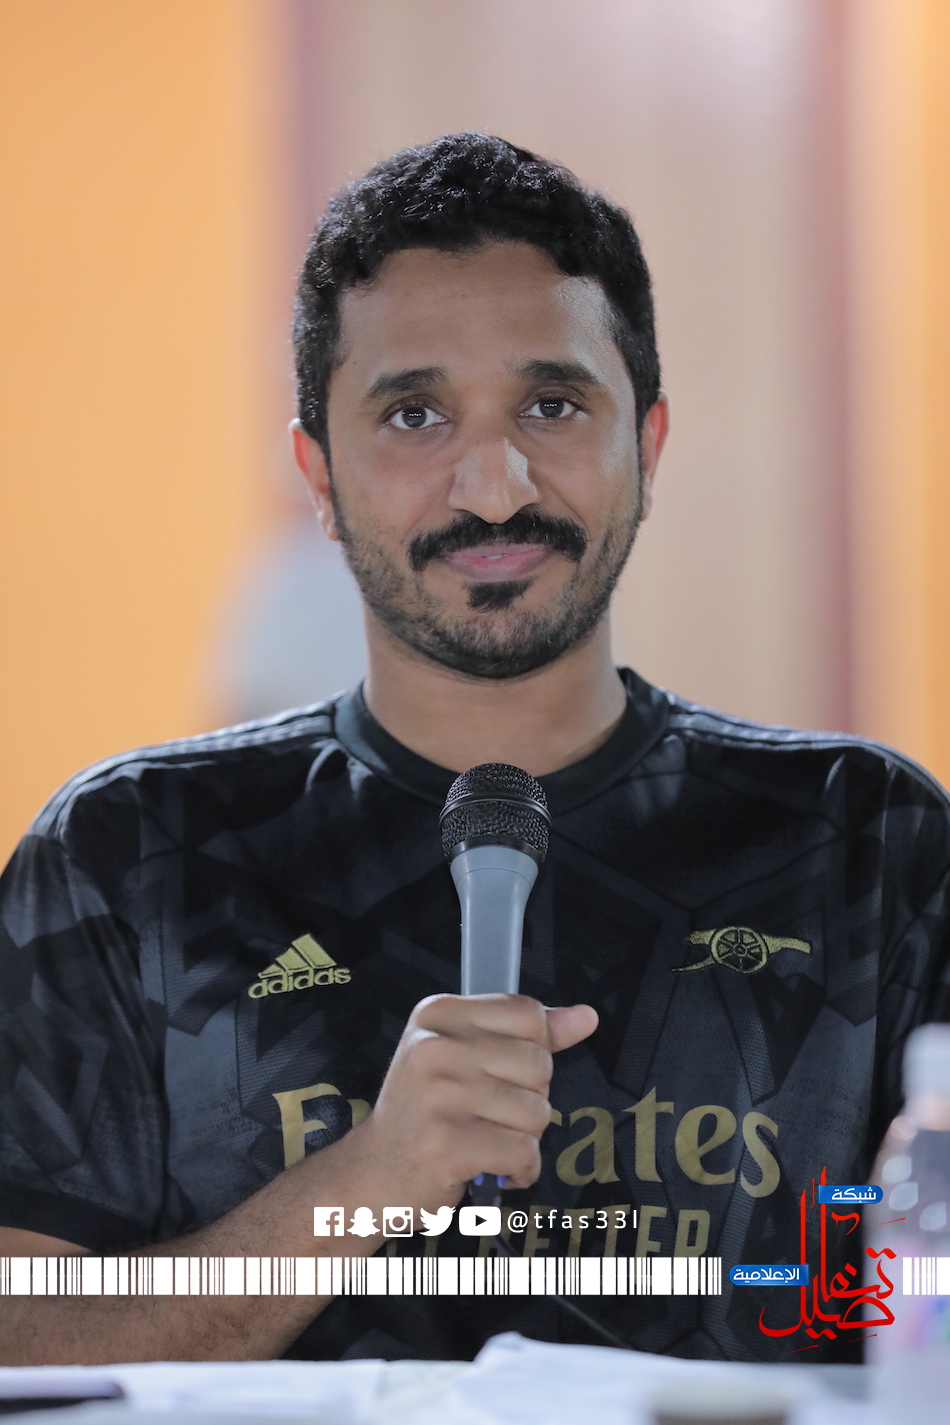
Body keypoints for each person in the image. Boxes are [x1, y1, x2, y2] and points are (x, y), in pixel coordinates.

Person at [1, 132, 948, 1367]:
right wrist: (364, 1183)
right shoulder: (129, 858)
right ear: (319, 474)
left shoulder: (866, 841)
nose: (493, 487)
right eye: (414, 414)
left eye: (551, 406)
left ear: (646, 445)